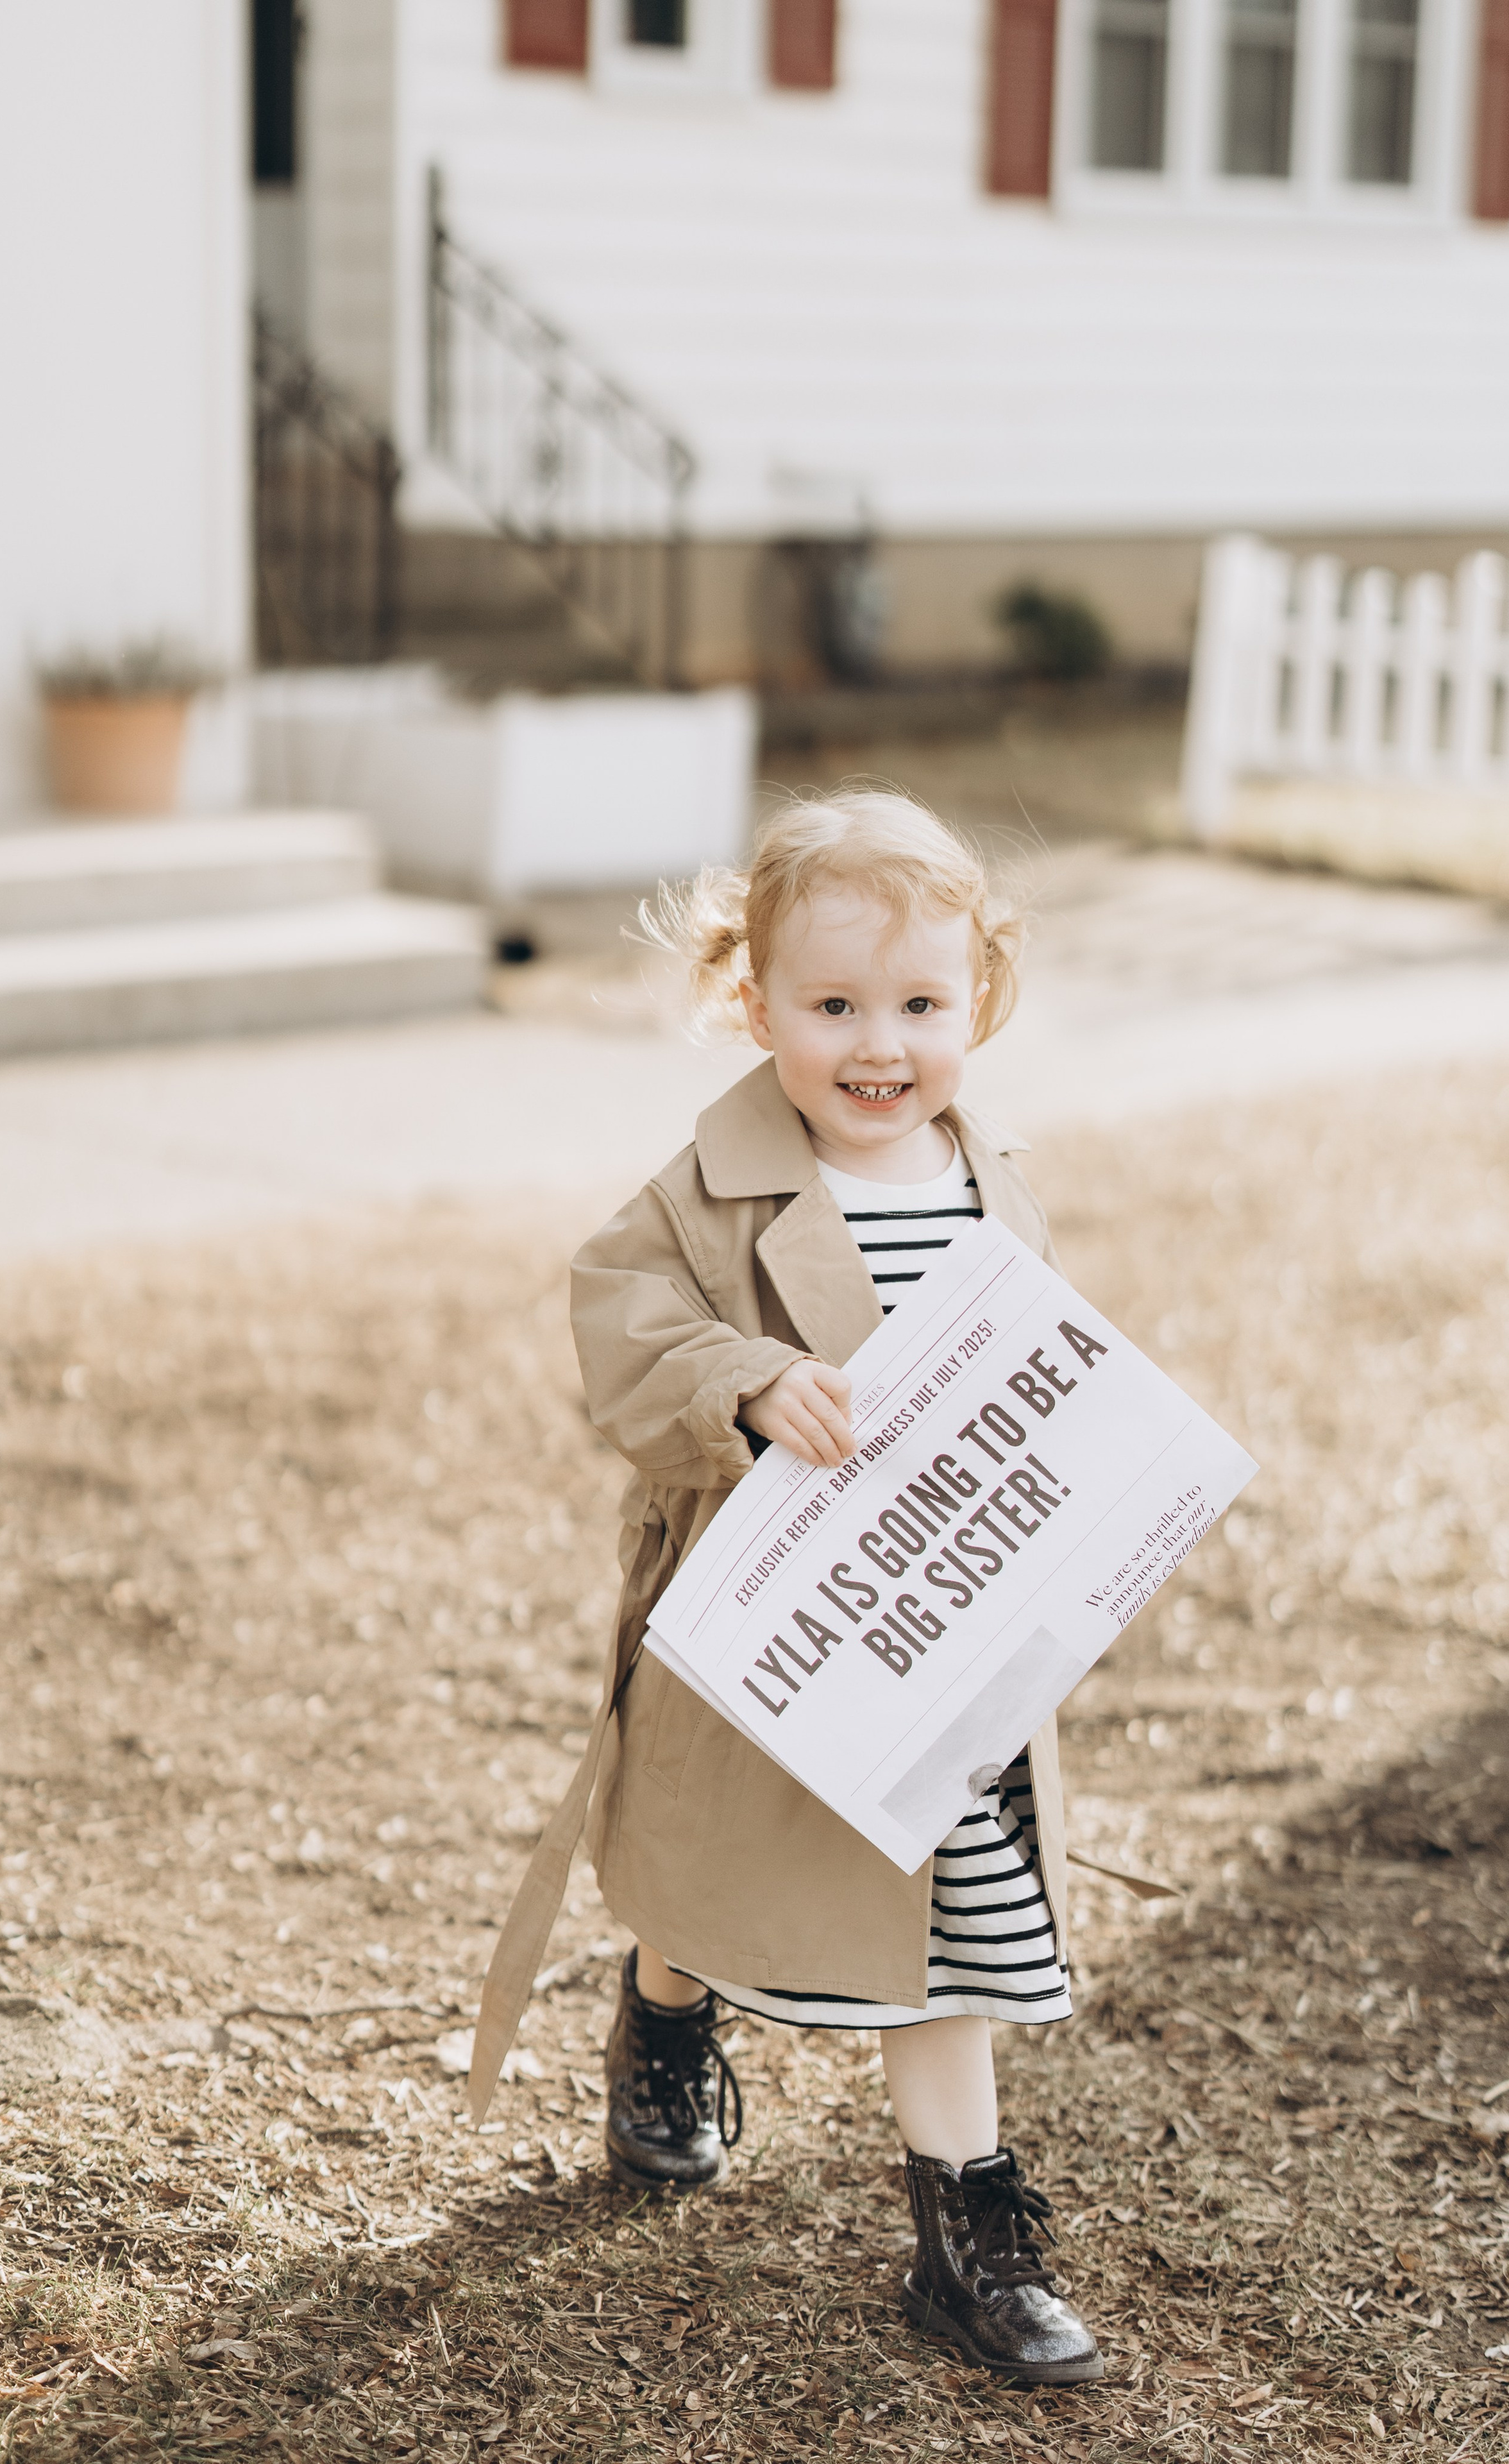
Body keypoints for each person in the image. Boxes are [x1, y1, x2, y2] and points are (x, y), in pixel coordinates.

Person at [469, 790, 1104, 2388]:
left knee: (950, 1909)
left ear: (978, 1000)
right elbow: (621, 1321)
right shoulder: (712, 1186)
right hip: (773, 1624)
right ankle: (665, 2011)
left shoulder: (990, 1179)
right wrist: (744, 1382)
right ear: (755, 1006)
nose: (877, 1046)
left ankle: (965, 2230)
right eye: (832, 1007)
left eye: (919, 1005)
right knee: (704, 1881)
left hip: (932, 1636)